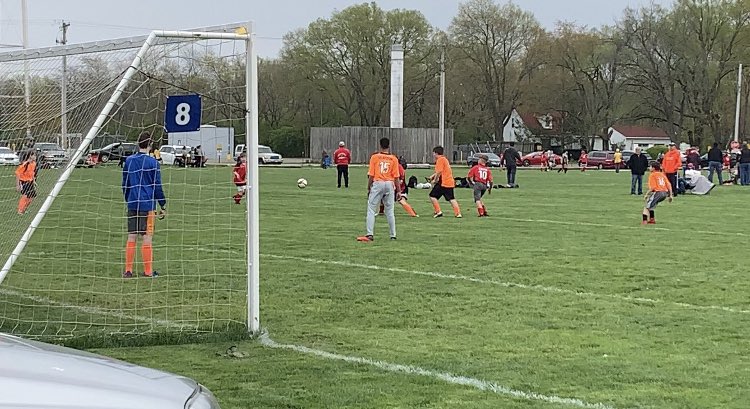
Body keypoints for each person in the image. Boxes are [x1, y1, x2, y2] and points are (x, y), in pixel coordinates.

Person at [122, 132, 166, 278]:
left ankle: (128, 271)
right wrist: (162, 204)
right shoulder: (153, 162)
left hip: (133, 202)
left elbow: (125, 183)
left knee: (131, 236)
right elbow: (157, 185)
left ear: (138, 144)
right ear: (150, 145)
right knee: (147, 237)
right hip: (147, 205)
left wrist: (128, 198)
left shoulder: (129, 161)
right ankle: (148, 271)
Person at [357, 138, 400, 242]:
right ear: (389, 146)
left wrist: (369, 187)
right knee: (390, 211)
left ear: (380, 145)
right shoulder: (393, 158)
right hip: (389, 184)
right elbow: (396, 177)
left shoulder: (375, 157)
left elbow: (371, 175)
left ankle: (370, 234)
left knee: (371, 209)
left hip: (378, 182)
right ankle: (393, 235)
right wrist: (398, 190)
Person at [429, 146, 462, 218]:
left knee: (432, 196)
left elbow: (439, 172)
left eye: (433, 153)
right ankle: (458, 213)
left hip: (443, 182)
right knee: (451, 198)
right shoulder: (445, 159)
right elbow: (442, 170)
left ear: (436, 153)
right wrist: (432, 176)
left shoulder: (440, 160)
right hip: (450, 182)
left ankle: (438, 212)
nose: (433, 155)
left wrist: (435, 180)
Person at [15, 150, 38, 215]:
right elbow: (17, 173)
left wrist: (33, 181)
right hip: (24, 182)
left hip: (30, 182)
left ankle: (24, 209)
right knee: (24, 196)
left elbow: (32, 173)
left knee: (31, 197)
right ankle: (20, 210)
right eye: (34, 155)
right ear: (30, 156)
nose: (35, 157)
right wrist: (18, 185)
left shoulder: (34, 163)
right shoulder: (25, 164)